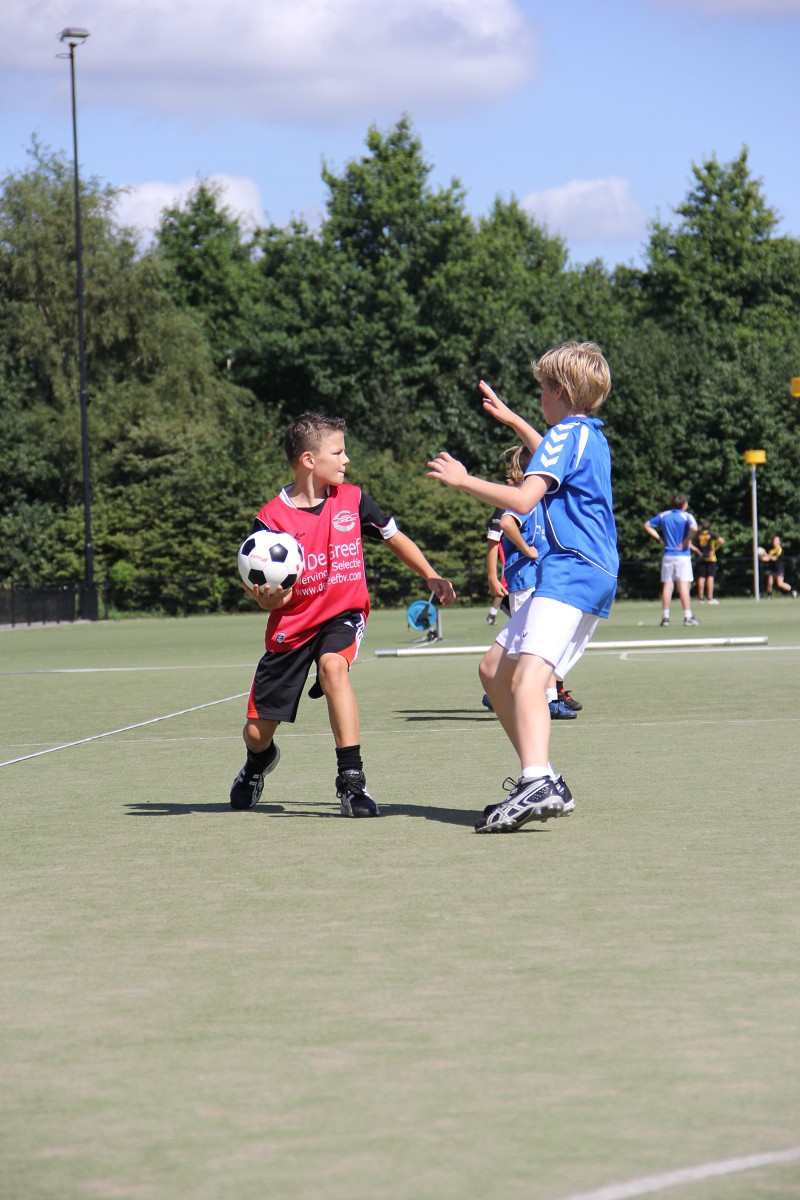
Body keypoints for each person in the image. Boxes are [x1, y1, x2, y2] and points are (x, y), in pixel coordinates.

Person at [427, 341, 618, 834]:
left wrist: (464, 481)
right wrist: (514, 420)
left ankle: (536, 778)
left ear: (559, 390)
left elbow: (525, 498)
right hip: (592, 572)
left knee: (528, 680)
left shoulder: (562, 436)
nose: (539, 398)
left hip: (570, 571)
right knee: (494, 671)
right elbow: (549, 457)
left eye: (541, 389)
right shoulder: (588, 435)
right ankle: (544, 777)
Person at [231, 411, 456, 818]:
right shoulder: (270, 522)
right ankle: (258, 763)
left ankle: (352, 781)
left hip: (342, 615)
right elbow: (265, 595)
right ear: (308, 461)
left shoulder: (352, 499)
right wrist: (267, 602)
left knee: (334, 668)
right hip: (292, 628)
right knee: (255, 733)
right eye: (338, 451)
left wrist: (430, 574)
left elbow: (393, 536)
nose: (346, 459)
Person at [496, 447, 581, 722]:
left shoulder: (542, 498)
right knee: (531, 645)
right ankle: (543, 700)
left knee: (531, 643)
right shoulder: (523, 495)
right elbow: (506, 523)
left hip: (541, 579)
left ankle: (510, 689)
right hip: (525, 577)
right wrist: (527, 550)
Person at [643, 494, 700, 627]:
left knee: (668, 586)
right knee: (684, 586)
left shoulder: (664, 515)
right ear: (684, 504)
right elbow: (694, 528)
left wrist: (659, 538)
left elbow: (647, 525)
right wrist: (686, 541)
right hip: (683, 555)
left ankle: (666, 617)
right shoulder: (686, 516)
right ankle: (687, 616)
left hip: (668, 553)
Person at [692, 519, 725, 604]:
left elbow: (689, 543)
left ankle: (701, 599)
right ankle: (710, 598)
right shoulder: (712, 534)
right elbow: (722, 541)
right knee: (710, 577)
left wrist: (697, 551)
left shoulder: (698, 535)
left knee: (701, 577)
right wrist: (714, 550)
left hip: (701, 558)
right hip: (711, 558)